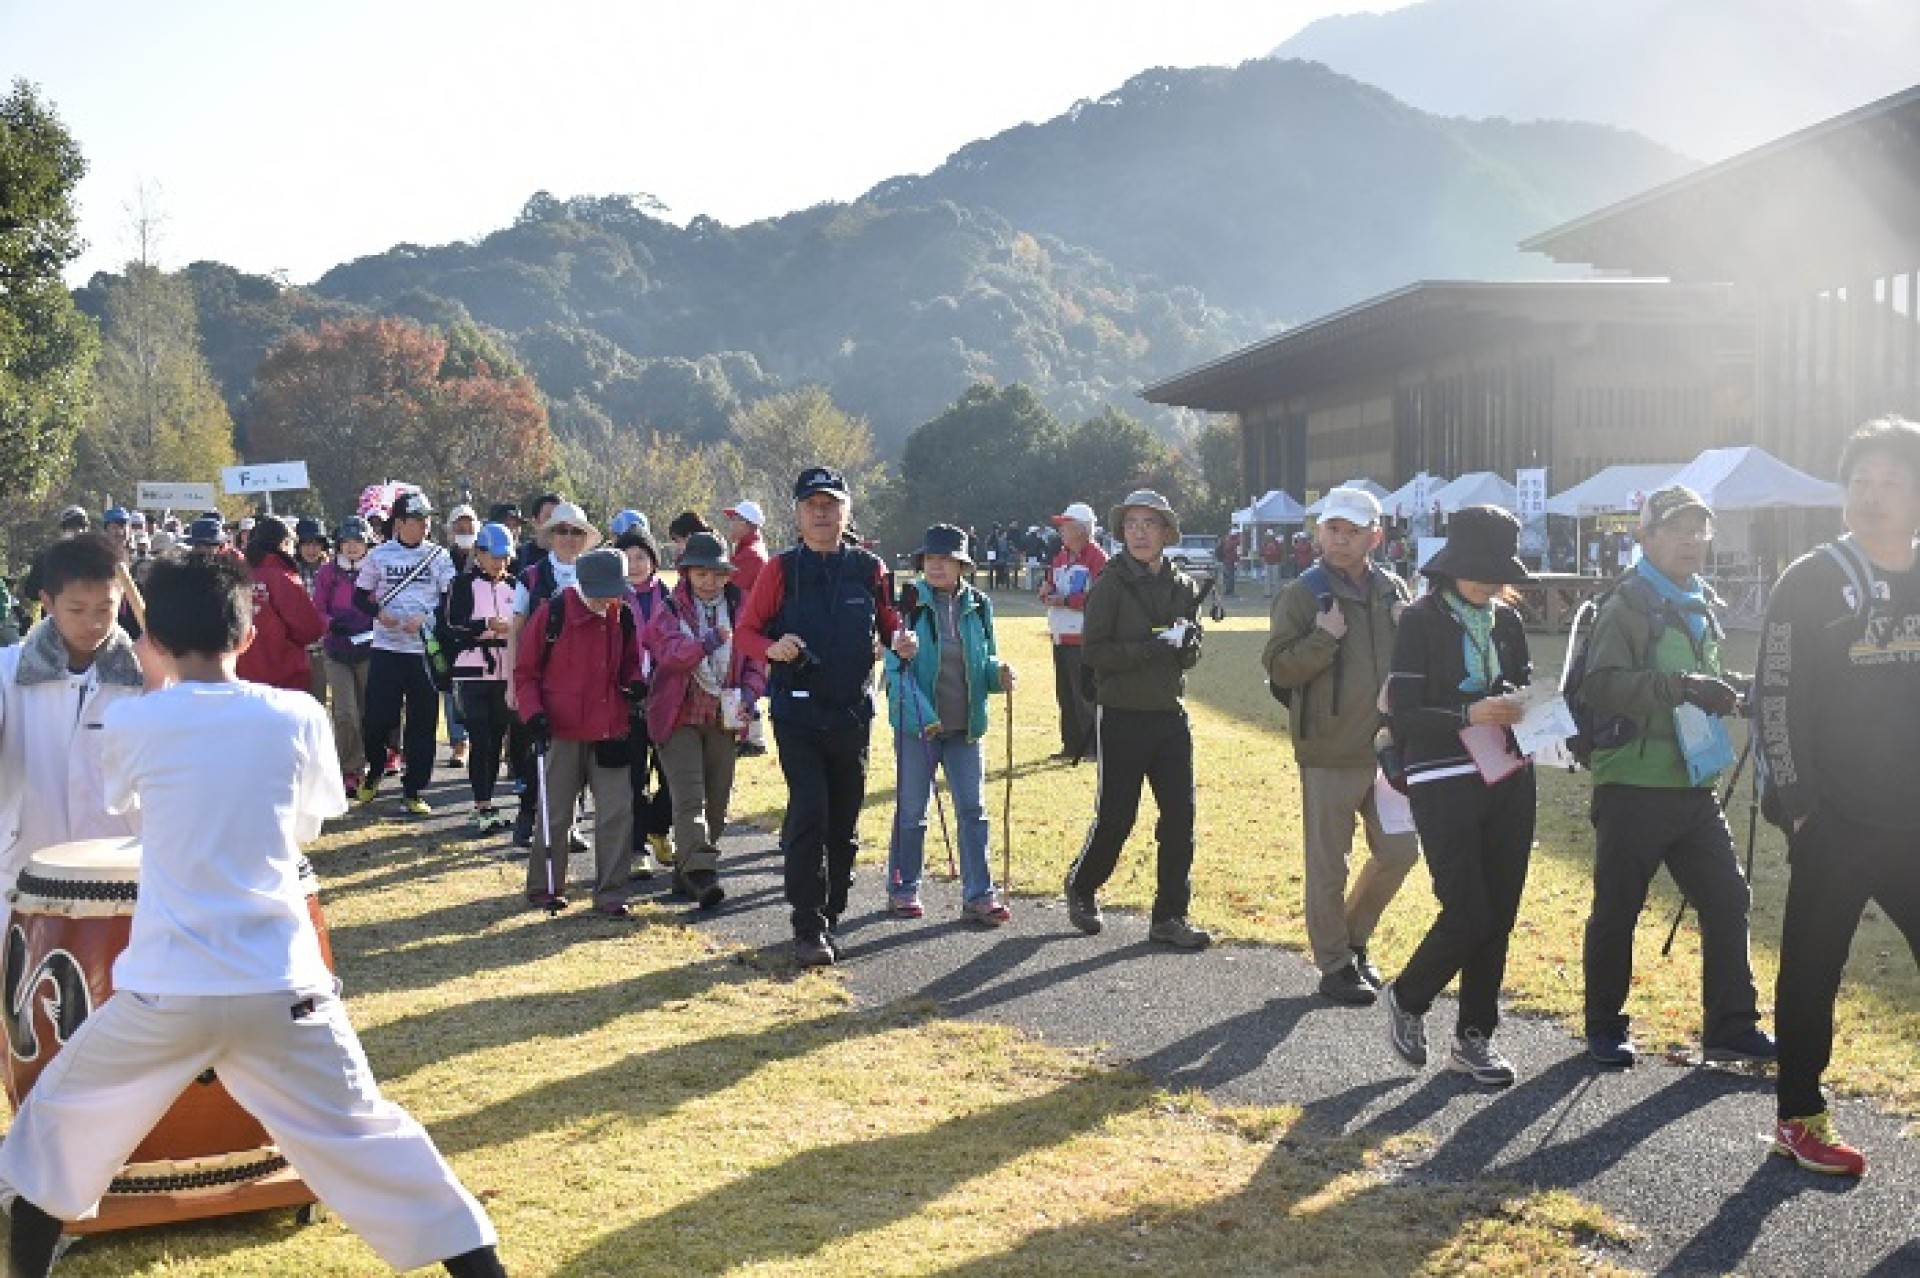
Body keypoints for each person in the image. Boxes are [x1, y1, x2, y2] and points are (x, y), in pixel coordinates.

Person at [0, 553, 506, 1278]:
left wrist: (153, 686)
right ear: (245, 636)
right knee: (374, 1141)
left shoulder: (135, 722)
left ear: (159, 641)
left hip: (167, 991)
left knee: (54, 1131)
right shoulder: (297, 714)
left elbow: (129, 810)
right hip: (283, 982)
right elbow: (305, 830)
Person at [1759, 416, 1920, 1178]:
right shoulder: (1812, 578)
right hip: (1835, 821)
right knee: (1813, 969)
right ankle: (1800, 1117)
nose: (1873, 496)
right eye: (1861, 481)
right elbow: (1777, 696)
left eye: (1892, 481)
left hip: (1914, 819)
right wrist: (1800, 804)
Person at [1578, 485, 1774, 1069]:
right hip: (1632, 784)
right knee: (1619, 907)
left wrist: (1742, 690)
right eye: (1677, 529)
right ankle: (1604, 1027)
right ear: (1647, 536)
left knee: (1727, 898)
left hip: (1693, 785)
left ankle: (1731, 1027)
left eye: (1700, 530)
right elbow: (1603, 683)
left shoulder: (1698, 600)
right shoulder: (1627, 604)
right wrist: (1684, 688)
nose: (1692, 540)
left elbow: (1705, 676)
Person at [735, 466, 915, 968]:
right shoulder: (779, 570)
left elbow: (890, 624)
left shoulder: (869, 568)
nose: (821, 512)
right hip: (796, 713)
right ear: (796, 514)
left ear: (846, 512)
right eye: (812, 504)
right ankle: (807, 926)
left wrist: (901, 640)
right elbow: (746, 631)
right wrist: (774, 647)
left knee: (844, 823)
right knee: (810, 812)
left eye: (831, 504)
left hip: (853, 712)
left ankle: (832, 915)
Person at [1380, 506, 1534, 1088]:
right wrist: (1467, 712)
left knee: (1500, 912)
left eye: (1497, 573)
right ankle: (1410, 995)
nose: (1488, 583)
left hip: (1509, 771)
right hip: (1441, 775)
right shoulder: (1419, 622)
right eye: (1478, 570)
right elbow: (1405, 715)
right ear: (1449, 568)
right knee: (1468, 910)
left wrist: (1533, 709)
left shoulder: (1507, 622)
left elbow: (1522, 687)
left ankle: (1475, 1037)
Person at [1264, 486, 1418, 1007]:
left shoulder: (1395, 589)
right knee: (1330, 864)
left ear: (1376, 537)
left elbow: (1420, 663)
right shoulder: (1303, 594)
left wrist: (1411, 626)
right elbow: (1279, 666)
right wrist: (1324, 638)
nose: (1341, 541)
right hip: (1328, 749)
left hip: (1389, 748)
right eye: (1333, 530)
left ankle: (1352, 940)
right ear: (1319, 532)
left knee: (1400, 852)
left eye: (1354, 532)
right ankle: (1333, 965)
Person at [1063, 489, 1211, 950]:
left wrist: (1188, 645)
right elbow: (1095, 653)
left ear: (1167, 532)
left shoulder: (1184, 587)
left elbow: (1191, 655)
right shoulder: (1108, 585)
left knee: (1180, 819)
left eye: (1150, 524)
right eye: (1132, 524)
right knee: (1116, 817)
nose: (1140, 532)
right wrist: (1148, 650)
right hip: (1122, 716)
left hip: (1170, 715)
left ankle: (1170, 916)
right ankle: (1083, 885)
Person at [0, 534, 150, 914]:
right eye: (77, 610)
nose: (93, 623)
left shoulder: (147, 676)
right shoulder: (8, 672)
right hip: (26, 870)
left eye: (106, 608)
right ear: (47, 602)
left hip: (120, 876)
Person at [884, 525, 1016, 925]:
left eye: (946, 559)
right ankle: (903, 889)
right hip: (919, 727)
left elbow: (984, 660)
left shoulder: (979, 604)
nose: (937, 566)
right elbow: (893, 670)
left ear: (962, 564)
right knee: (912, 812)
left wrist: (999, 674)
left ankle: (979, 894)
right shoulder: (906, 604)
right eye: (930, 559)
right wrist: (900, 653)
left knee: (974, 810)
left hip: (966, 728)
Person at [642, 531, 766, 910]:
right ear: (686, 573)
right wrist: (706, 642)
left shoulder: (743, 608)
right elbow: (670, 653)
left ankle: (686, 872)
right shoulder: (670, 608)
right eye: (701, 574)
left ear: (727, 575)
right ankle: (702, 875)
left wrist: (749, 692)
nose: (709, 582)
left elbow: (757, 659)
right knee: (689, 798)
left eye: (716, 574)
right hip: (677, 715)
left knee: (717, 803)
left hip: (724, 718)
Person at [514, 547, 641, 916]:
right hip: (560, 728)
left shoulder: (624, 616)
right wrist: (533, 713)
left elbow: (631, 663)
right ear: (583, 584)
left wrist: (635, 683)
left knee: (617, 811)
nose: (609, 599)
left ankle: (612, 893)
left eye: (615, 590)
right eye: (603, 590)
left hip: (612, 728)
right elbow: (525, 673)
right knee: (556, 813)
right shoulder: (552, 613)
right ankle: (545, 887)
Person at [352, 490, 456, 816]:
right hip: (386, 648)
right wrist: (378, 612)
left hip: (423, 651)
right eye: (419, 520)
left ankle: (414, 790)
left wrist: (428, 618)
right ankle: (376, 768)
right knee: (378, 719)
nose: (425, 526)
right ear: (400, 522)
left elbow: (452, 598)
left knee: (422, 724)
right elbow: (359, 596)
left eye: (428, 520)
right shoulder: (379, 555)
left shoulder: (439, 556)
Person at [507, 501, 599, 847]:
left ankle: (571, 823)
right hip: (539, 677)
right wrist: (513, 682)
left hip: (583, 680)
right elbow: (515, 630)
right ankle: (528, 814)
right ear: (551, 535)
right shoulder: (530, 575)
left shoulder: (593, 574)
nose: (569, 538)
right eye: (562, 530)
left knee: (579, 752)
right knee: (538, 751)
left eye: (577, 531)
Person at [442, 522, 517, 834]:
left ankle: (489, 802)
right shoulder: (462, 584)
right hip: (472, 669)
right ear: (479, 554)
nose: (500, 563)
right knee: (480, 738)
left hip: (505, 669)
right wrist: (485, 624)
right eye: (493, 556)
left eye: (505, 557)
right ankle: (481, 804)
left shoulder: (515, 585)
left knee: (498, 739)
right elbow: (449, 624)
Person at [619, 523, 674, 874]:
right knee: (634, 776)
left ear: (653, 560)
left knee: (671, 771)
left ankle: (659, 828)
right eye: (627, 557)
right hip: (626, 697)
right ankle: (636, 847)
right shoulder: (612, 596)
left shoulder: (668, 596)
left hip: (666, 693)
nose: (635, 564)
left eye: (641, 556)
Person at [1040, 501, 1107, 760]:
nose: (1061, 532)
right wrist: (1045, 591)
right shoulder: (1061, 556)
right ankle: (1071, 745)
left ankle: (1092, 748)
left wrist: (1067, 601)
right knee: (1065, 695)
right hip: (1060, 634)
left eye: (1066, 527)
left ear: (1081, 530)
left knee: (1085, 697)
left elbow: (1100, 600)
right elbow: (1050, 583)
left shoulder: (1098, 558)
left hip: (1083, 637)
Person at [315, 516, 376, 797]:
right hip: (337, 650)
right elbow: (317, 608)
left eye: (358, 542)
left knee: (368, 712)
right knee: (345, 713)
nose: (352, 547)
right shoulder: (327, 573)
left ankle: (368, 764)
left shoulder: (375, 570)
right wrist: (330, 623)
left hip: (369, 649)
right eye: (347, 542)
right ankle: (348, 769)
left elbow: (383, 602)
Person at [236, 516, 329, 697]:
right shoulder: (283, 577)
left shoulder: (238, 575)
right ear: (283, 543)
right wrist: (325, 623)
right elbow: (308, 629)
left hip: (244, 672)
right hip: (284, 674)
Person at [722, 501, 771, 756]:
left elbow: (725, 584)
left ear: (747, 524)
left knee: (745, 678)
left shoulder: (750, 555)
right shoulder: (747, 550)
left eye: (734, 520)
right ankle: (750, 736)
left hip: (749, 625)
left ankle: (750, 738)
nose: (730, 524)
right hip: (749, 623)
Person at [293, 517, 332, 702]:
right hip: (298, 646)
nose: (311, 550)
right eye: (306, 544)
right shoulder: (290, 571)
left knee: (319, 699)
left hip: (324, 646)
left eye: (316, 544)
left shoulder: (330, 570)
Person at [722, 500, 769, 594]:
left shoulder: (750, 555)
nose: (729, 525)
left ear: (743, 523)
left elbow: (727, 593)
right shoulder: (749, 550)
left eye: (732, 519)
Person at [1216, 529, 1240, 598]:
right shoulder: (1234, 542)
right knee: (1231, 576)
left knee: (1227, 576)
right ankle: (1230, 591)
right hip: (1230, 560)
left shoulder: (1226, 540)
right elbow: (1235, 552)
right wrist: (1237, 560)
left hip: (1226, 560)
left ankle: (1227, 590)